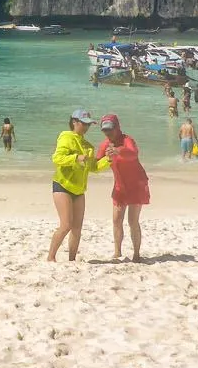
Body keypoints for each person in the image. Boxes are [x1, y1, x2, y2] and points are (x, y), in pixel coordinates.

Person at [47, 110, 101, 262]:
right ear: (74, 122)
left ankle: (72, 260)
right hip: (62, 185)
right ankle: (51, 257)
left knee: (77, 228)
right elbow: (57, 158)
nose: (86, 127)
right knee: (66, 225)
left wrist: (109, 159)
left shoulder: (88, 146)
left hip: (79, 189)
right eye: (84, 123)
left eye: (88, 124)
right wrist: (76, 158)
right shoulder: (66, 137)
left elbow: (94, 167)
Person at [95, 114, 149, 261]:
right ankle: (117, 252)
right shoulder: (105, 145)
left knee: (132, 221)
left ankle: (136, 254)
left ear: (117, 127)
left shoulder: (127, 140)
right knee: (116, 219)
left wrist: (119, 151)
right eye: (105, 130)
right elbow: (96, 164)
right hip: (120, 185)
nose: (108, 133)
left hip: (137, 184)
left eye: (110, 129)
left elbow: (133, 154)